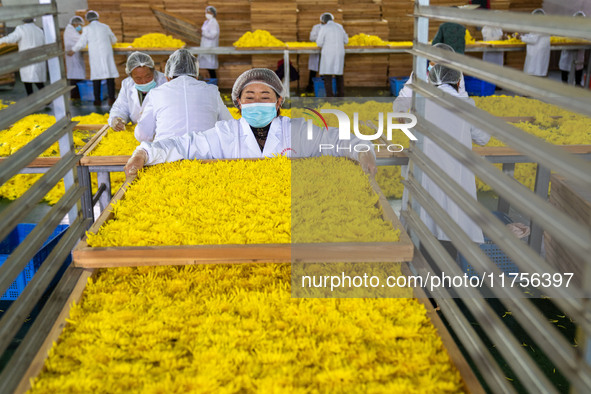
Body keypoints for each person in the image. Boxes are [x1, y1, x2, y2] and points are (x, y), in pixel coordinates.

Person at [125, 68, 376, 177]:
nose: (257, 102)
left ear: (278, 103)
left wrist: (363, 151)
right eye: (250, 97)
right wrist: (145, 153)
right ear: (239, 104)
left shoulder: (298, 130)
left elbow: (336, 139)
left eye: (265, 97)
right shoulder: (225, 133)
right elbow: (184, 145)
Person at [403, 64, 490, 260]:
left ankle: (423, 282)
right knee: (448, 240)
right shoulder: (466, 105)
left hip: (424, 180)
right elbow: (483, 138)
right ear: (458, 81)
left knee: (423, 234)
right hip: (454, 183)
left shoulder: (420, 103)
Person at [134, 49, 232, 143]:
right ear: (196, 76)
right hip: (206, 155)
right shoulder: (212, 91)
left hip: (168, 155)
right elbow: (230, 127)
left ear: (168, 77)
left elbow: (142, 135)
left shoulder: (156, 93)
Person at [393, 43, 466, 113]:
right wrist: (401, 111)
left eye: (438, 65)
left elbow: (462, 97)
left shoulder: (455, 74)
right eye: (432, 64)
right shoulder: (420, 73)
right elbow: (405, 96)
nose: (434, 68)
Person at [108, 52, 167, 131]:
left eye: (148, 76)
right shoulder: (127, 84)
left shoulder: (165, 82)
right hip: (136, 132)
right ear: (131, 76)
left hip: (160, 131)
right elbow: (120, 108)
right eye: (138, 79)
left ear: (153, 70)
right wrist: (117, 119)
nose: (144, 81)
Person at [70, 10, 118, 106]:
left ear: (87, 20)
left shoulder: (87, 29)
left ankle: (97, 100)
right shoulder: (105, 27)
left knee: (96, 77)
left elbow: (82, 42)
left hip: (95, 55)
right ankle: (111, 99)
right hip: (106, 53)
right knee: (110, 77)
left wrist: (73, 50)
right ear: (98, 17)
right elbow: (114, 40)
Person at [0, 18, 46, 96]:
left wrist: (1, 40)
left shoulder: (21, 29)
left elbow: (11, 39)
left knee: (27, 80)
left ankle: (31, 97)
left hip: (27, 58)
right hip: (38, 58)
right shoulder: (39, 30)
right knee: (37, 79)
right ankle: (46, 96)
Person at [316, 13, 348, 97]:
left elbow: (319, 43)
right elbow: (346, 40)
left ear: (323, 21)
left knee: (327, 75)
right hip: (339, 53)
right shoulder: (339, 27)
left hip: (328, 53)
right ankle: (341, 96)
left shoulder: (324, 28)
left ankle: (330, 97)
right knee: (339, 75)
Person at [518, 9, 550, 77]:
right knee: (538, 71)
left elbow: (533, 39)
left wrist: (520, 37)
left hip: (537, 52)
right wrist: (524, 35)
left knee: (535, 72)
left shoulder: (539, 25)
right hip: (539, 51)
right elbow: (533, 35)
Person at [559, 11, 586, 86]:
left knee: (578, 68)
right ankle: (564, 84)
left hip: (579, 52)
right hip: (568, 51)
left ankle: (578, 84)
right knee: (565, 69)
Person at [63, 16, 86, 99]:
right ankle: (75, 96)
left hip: (75, 55)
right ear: (75, 23)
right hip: (72, 56)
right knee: (75, 76)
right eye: (79, 25)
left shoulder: (72, 30)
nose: (80, 27)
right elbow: (81, 40)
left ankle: (77, 95)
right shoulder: (70, 31)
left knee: (77, 75)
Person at [199, 6, 220, 80]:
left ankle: (214, 82)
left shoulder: (214, 22)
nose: (208, 14)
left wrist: (203, 33)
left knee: (211, 67)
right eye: (207, 12)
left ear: (214, 14)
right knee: (207, 66)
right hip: (205, 45)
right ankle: (211, 81)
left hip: (210, 46)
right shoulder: (206, 22)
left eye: (210, 12)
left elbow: (213, 35)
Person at [307, 20, 323, 92]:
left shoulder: (330, 28)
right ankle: (310, 87)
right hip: (316, 49)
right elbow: (311, 38)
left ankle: (322, 87)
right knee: (313, 69)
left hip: (326, 50)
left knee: (324, 70)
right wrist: (321, 37)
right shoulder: (316, 27)